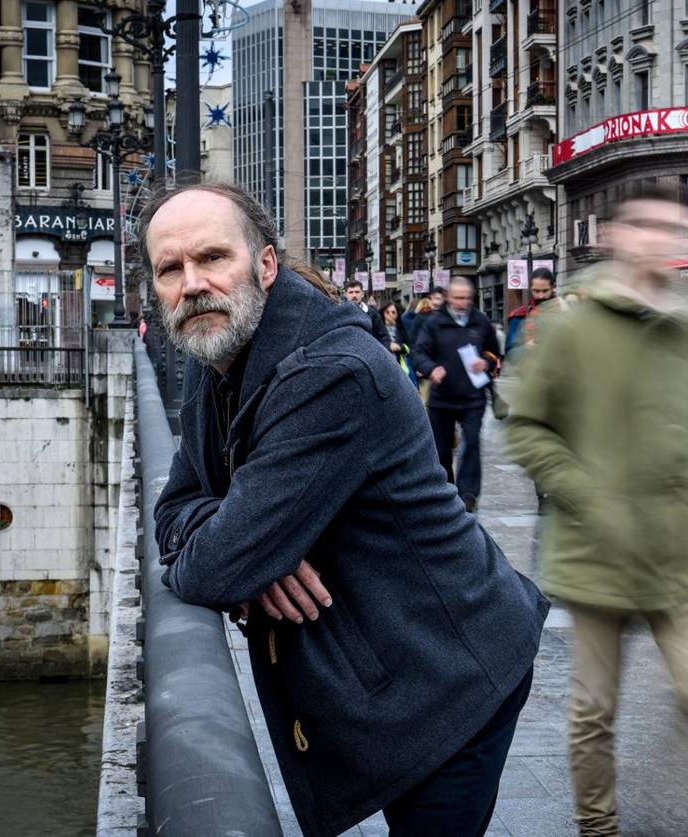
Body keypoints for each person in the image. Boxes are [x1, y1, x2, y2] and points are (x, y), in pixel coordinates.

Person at [140, 182, 548, 837]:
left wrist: (243, 549)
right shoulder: (213, 347)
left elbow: (214, 568)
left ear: (265, 263)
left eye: (213, 256)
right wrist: (248, 548)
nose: (193, 283)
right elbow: (179, 512)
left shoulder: (330, 371)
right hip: (385, 671)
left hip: (453, 675)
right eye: (171, 268)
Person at [506, 187, 688, 837]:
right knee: (594, 709)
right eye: (647, 225)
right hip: (597, 550)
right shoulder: (573, 325)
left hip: (673, 549)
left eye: (675, 227)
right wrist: (585, 495)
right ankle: (598, 826)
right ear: (615, 234)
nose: (661, 239)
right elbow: (527, 425)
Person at [411, 274, 501, 513]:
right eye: (458, 298)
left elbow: (495, 352)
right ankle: (447, 490)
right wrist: (432, 369)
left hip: (473, 396)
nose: (462, 303)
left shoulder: (480, 321)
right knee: (441, 449)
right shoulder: (435, 323)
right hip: (442, 396)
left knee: (471, 443)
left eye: (466, 298)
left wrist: (487, 362)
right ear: (449, 298)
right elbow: (419, 353)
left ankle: (468, 494)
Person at [505, 266, 563, 363]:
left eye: (545, 291)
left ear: (553, 287)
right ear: (530, 289)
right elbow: (511, 353)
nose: (541, 296)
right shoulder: (519, 316)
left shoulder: (566, 312)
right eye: (536, 291)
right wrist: (527, 348)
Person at [377, 300, 415, 385]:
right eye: (387, 312)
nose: (390, 315)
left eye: (393, 312)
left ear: (397, 315)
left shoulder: (401, 329)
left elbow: (409, 347)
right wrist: (388, 346)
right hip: (382, 368)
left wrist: (400, 347)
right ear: (383, 313)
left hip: (399, 367)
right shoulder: (377, 329)